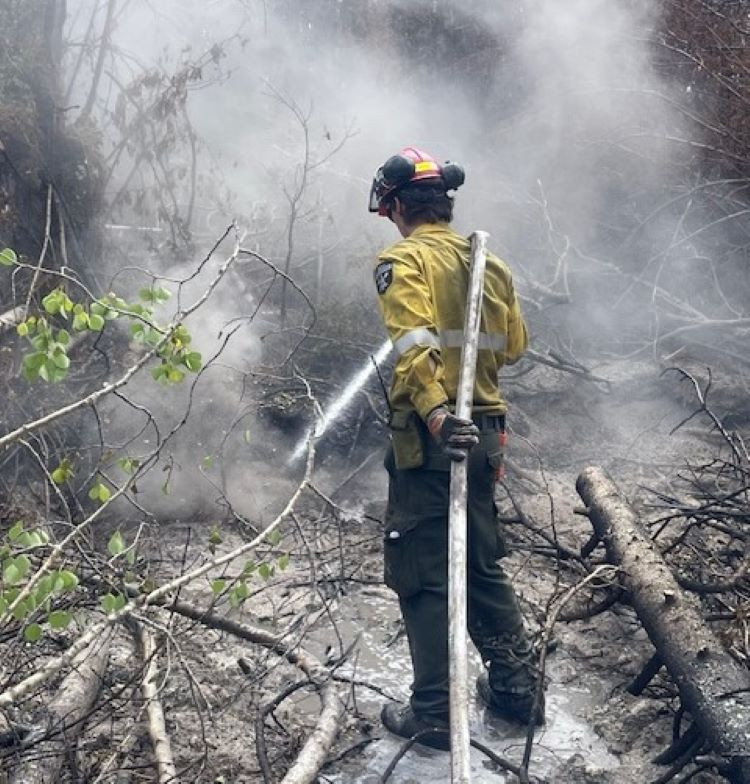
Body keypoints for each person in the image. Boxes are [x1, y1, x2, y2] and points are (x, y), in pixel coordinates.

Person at [368, 146, 542, 749]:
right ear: (444, 203)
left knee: (422, 571)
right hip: (488, 431)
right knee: (482, 564)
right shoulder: (488, 261)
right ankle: (519, 694)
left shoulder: (404, 259)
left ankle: (437, 715)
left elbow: (414, 349)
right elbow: (513, 346)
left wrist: (439, 414)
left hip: (432, 435)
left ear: (394, 207)